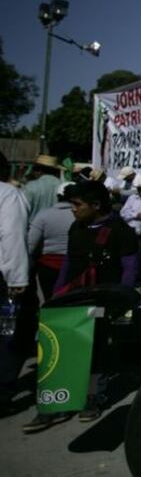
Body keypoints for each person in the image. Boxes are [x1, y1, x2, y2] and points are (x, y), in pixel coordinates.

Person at [23, 181, 139, 433]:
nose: (73, 210)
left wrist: (122, 301)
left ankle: (91, 398)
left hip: (102, 300)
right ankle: (52, 406)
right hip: (72, 297)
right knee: (59, 348)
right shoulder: (77, 227)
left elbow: (129, 269)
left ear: (96, 205)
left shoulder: (121, 231)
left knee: (95, 350)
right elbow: (69, 263)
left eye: (77, 204)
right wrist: (57, 294)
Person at [0, 152, 30, 415]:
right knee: (10, 333)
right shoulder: (9, 195)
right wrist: (18, 278)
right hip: (3, 276)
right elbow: (11, 235)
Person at [27, 181, 77, 303]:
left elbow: (30, 244)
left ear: (57, 197)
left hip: (48, 267)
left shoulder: (44, 215)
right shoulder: (82, 216)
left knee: (50, 300)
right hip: (74, 265)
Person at [21, 154, 63, 222]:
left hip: (33, 229)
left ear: (39, 171)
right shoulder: (63, 186)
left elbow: (22, 211)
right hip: (56, 229)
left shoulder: (31, 186)